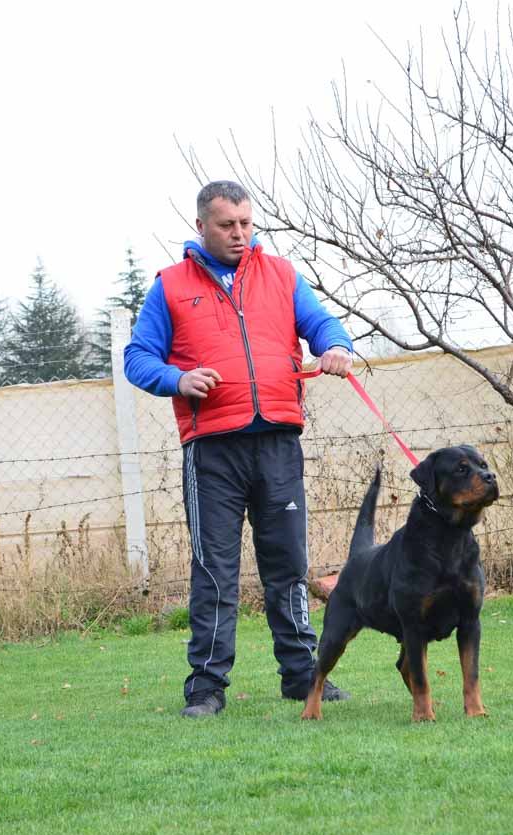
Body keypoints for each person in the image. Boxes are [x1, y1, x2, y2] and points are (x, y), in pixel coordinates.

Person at [124, 180, 354, 717]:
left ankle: (302, 676)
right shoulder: (170, 286)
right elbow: (138, 358)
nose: (239, 234)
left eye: (247, 223)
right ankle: (206, 687)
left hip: (278, 441)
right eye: (227, 225)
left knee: (289, 565)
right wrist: (178, 379)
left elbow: (321, 324)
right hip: (212, 451)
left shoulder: (282, 274)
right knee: (214, 570)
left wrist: (336, 346)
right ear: (201, 226)